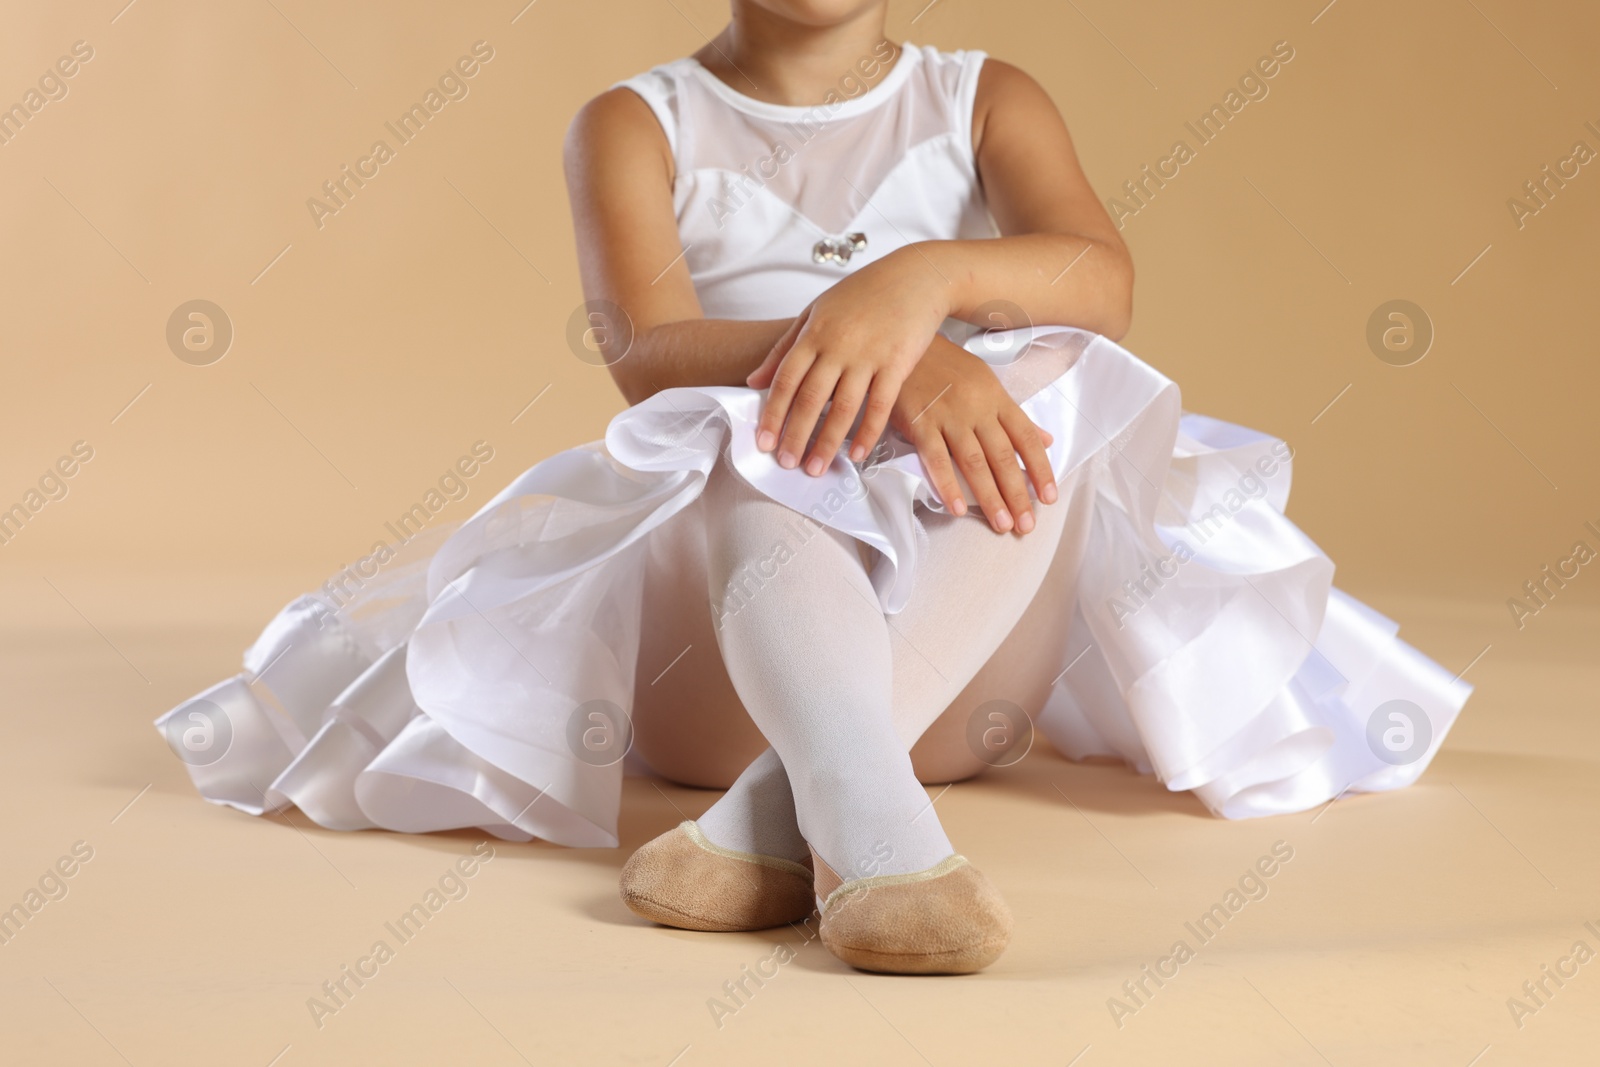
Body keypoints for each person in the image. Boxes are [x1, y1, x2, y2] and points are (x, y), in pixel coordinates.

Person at [156, 0, 1471, 977]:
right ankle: (873, 838)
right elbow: (646, 355)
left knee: (1073, 374)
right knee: (749, 437)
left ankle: (785, 820)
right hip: (714, 679)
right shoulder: (637, 119)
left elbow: (1100, 283)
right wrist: (876, 367)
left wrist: (924, 288)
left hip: (953, 687)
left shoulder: (984, 95)